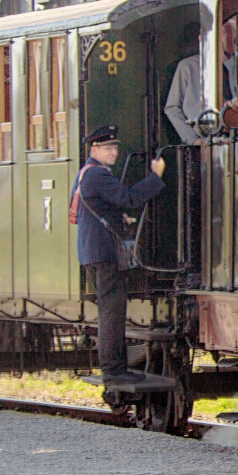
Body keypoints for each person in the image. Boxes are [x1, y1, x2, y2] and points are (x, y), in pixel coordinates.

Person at [69, 125, 165, 385]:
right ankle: (113, 370)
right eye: (108, 148)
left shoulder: (85, 174)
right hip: (104, 253)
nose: (114, 152)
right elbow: (129, 198)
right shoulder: (98, 176)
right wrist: (155, 177)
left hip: (94, 252)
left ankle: (115, 367)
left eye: (115, 148)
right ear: (94, 149)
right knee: (112, 313)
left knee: (111, 312)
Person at [164, 24, 203, 144]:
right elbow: (172, 108)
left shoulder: (236, 65)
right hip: (200, 141)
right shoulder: (188, 66)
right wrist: (192, 139)